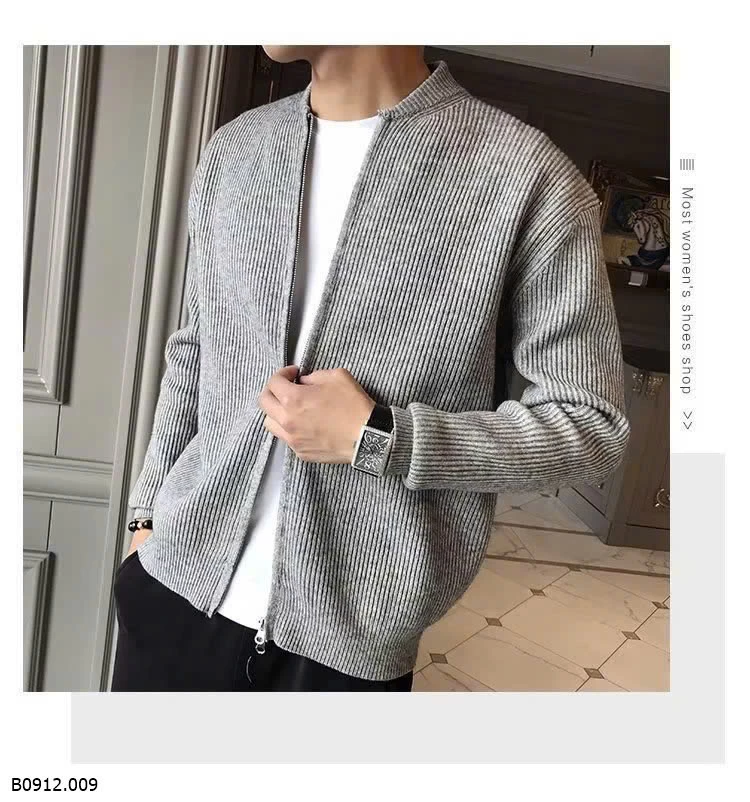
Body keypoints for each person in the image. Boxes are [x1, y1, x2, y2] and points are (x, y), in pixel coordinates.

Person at [112, 45, 631, 692]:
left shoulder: (527, 177)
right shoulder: (235, 151)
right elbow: (195, 349)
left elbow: (591, 427)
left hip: (345, 654)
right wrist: (145, 518)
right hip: (170, 593)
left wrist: (381, 436)